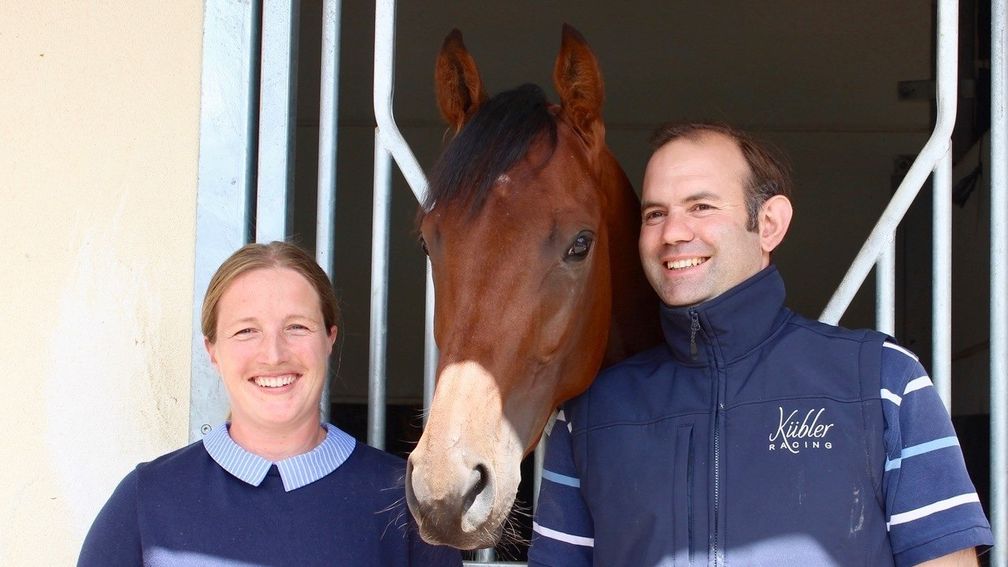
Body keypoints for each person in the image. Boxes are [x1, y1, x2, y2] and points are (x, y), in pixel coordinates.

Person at [528, 123, 993, 566]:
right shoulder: (589, 416)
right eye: (655, 214)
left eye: (701, 206)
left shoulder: (883, 382)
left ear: (769, 223)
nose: (672, 233)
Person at [78, 241, 461, 566]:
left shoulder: (404, 502)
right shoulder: (146, 501)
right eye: (246, 331)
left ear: (329, 338)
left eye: (297, 327)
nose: (274, 354)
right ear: (212, 350)